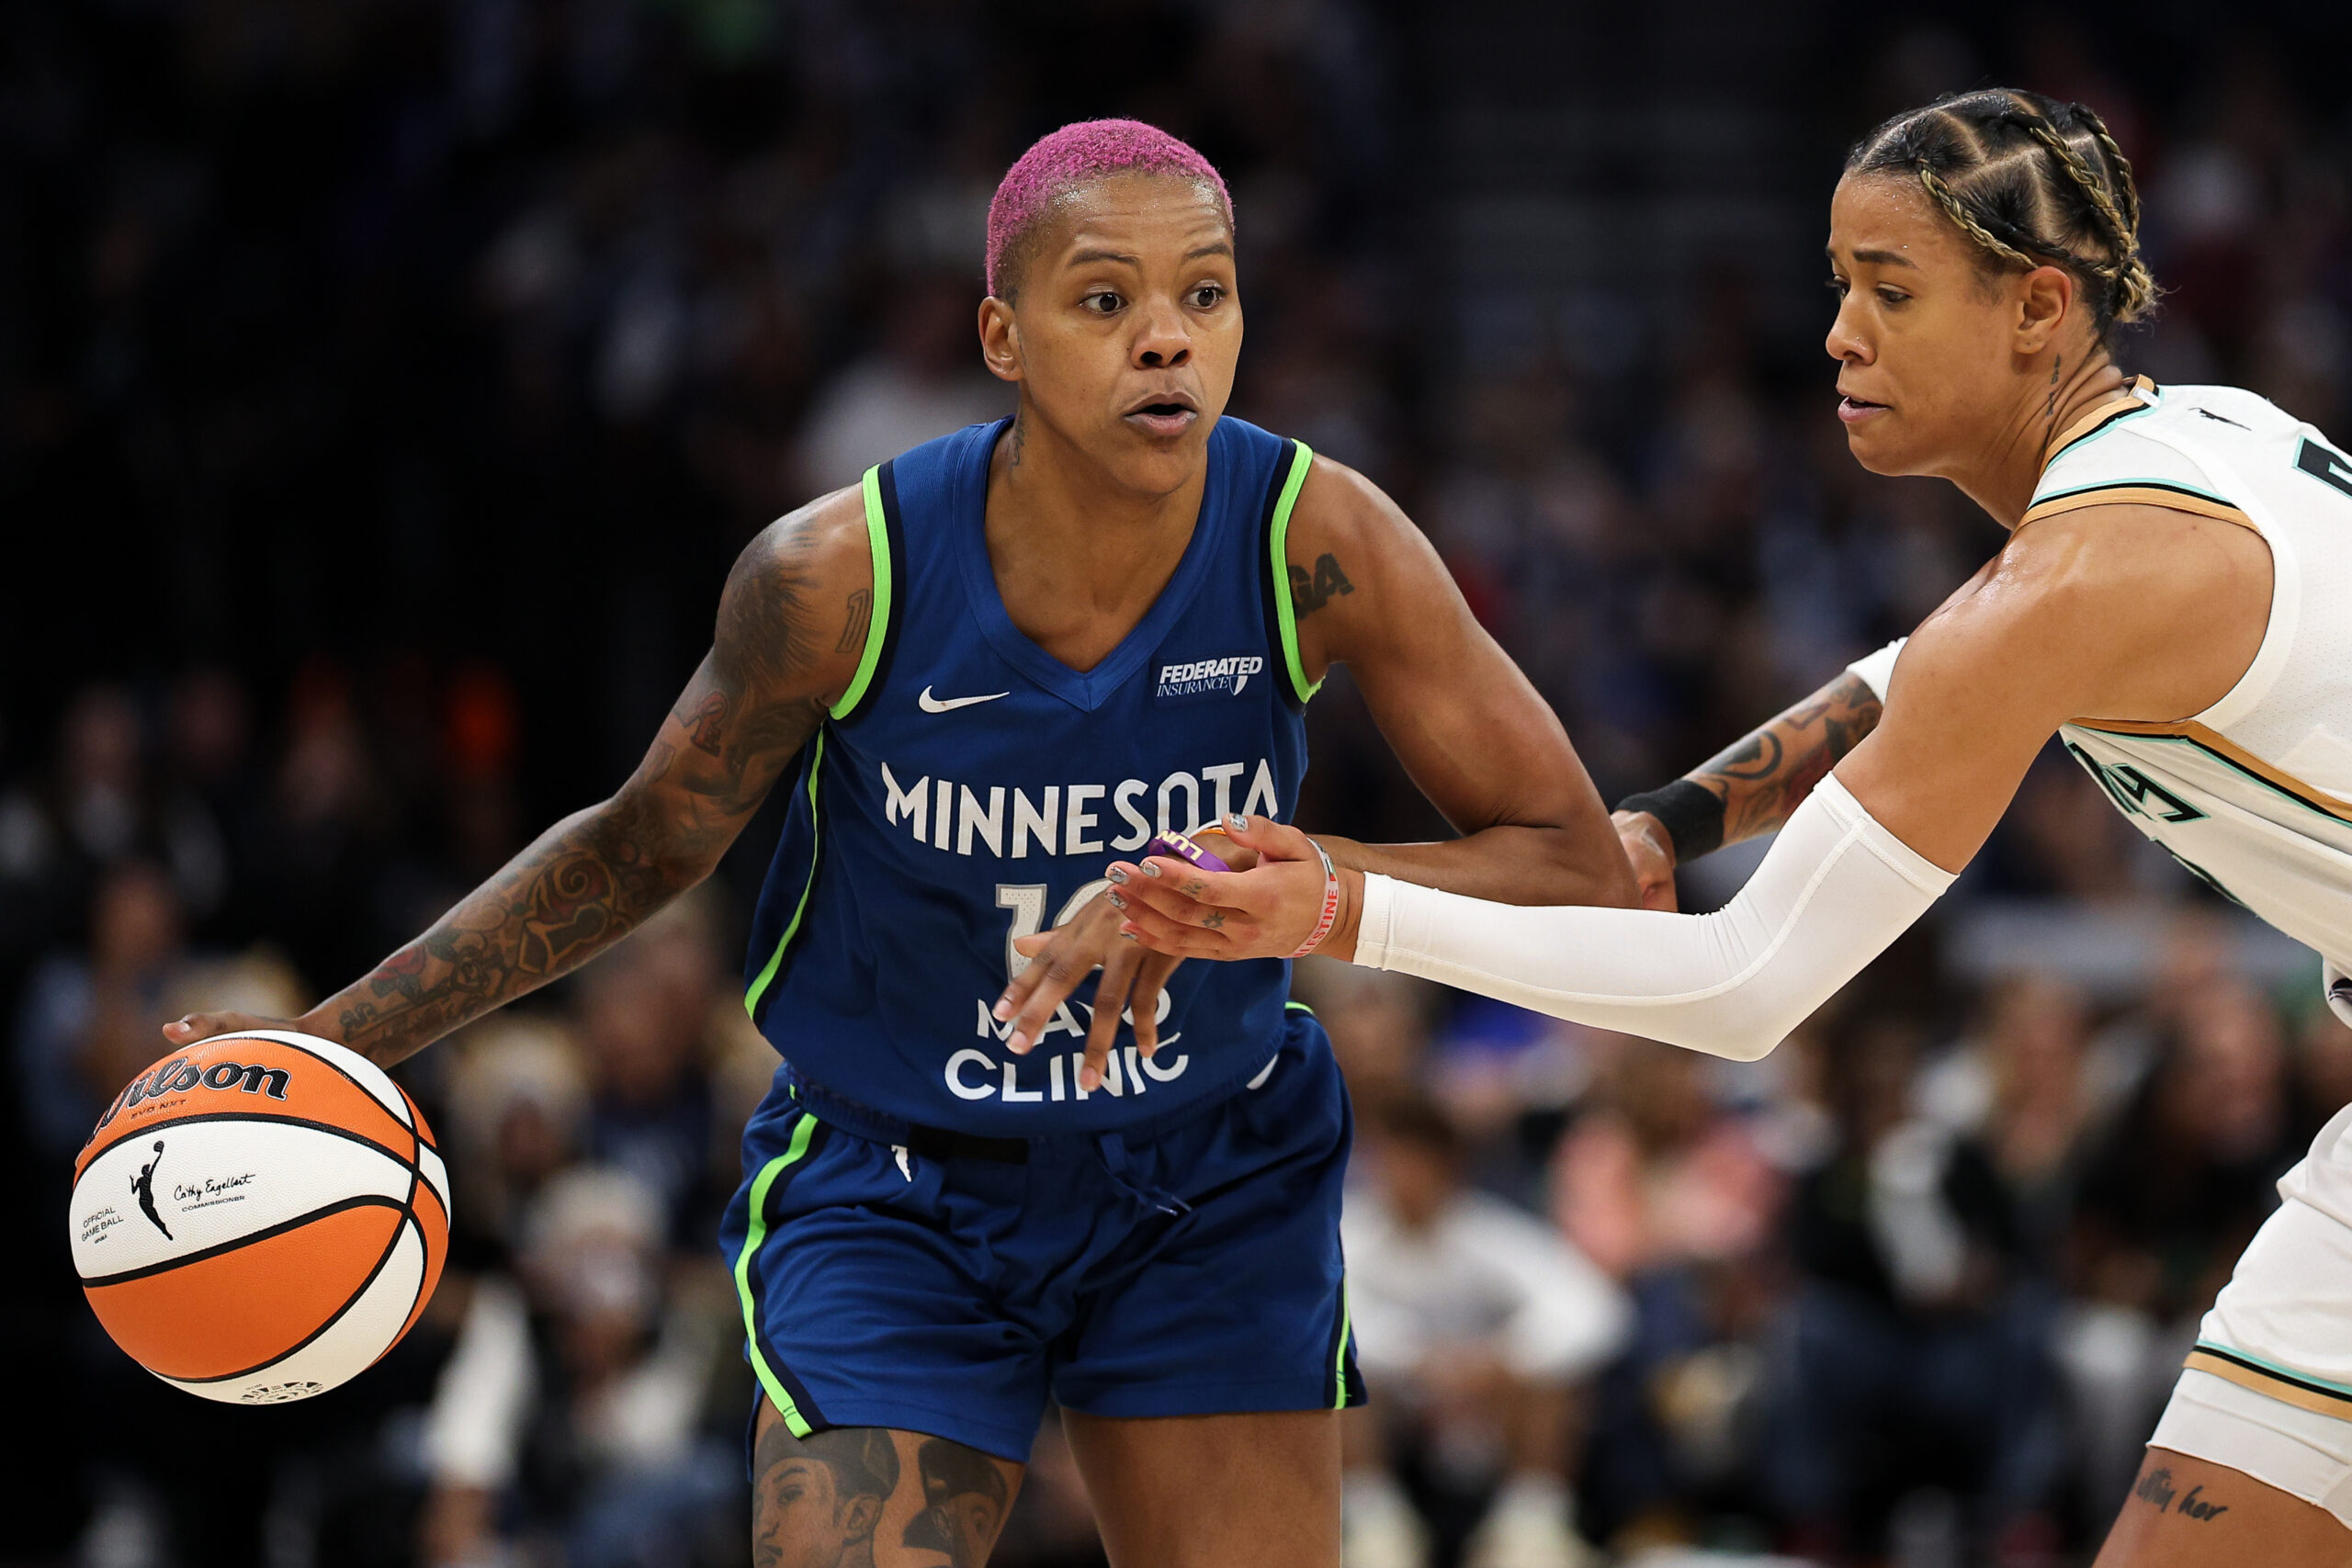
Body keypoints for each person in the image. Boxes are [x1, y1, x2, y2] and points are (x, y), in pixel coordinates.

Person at [164, 118, 1636, 1567]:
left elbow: (1571, 864)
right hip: (902, 1183)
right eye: (1106, 299)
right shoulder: (837, 575)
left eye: (1207, 292)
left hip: (1210, 1174)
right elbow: (637, 846)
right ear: (1002, 335)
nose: (1169, 339)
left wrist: (1292, 890)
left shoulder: (1320, 543)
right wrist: (332, 1042)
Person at [1112, 88, 2352, 1565]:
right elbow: (1907, 682)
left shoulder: (2072, 586)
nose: (1839, 334)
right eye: (1841, 286)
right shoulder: (2202, 442)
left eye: (1891, 292)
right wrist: (1658, 831)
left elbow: (1747, 990)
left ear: (2036, 307)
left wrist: (1341, 910)